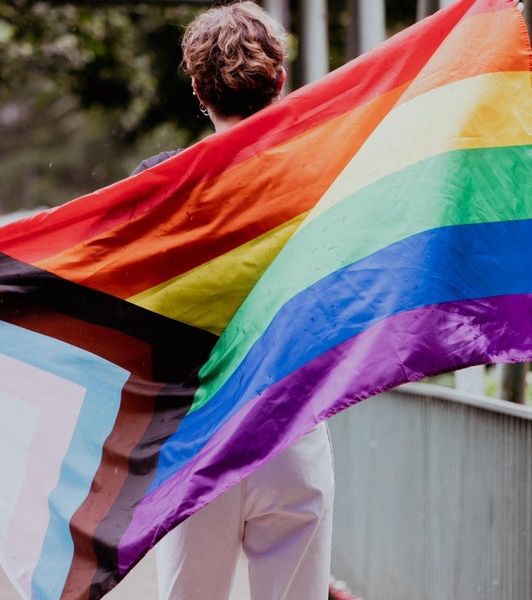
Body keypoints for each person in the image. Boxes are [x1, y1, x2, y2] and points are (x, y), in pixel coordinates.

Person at [131, 3, 335, 599]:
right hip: (292, 428)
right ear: (279, 81)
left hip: (194, 441)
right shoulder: (322, 180)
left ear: (197, 89)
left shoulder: (160, 186)